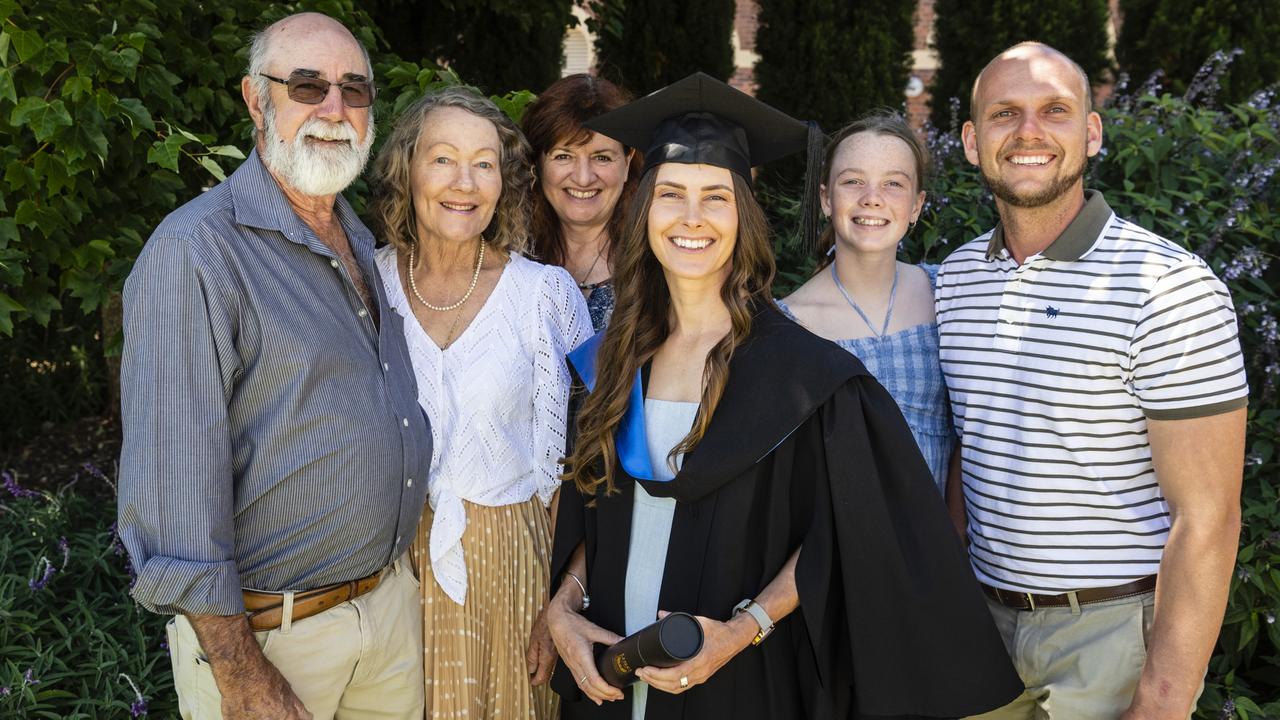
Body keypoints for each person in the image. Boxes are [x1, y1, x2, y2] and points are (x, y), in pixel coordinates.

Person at [543, 72, 1022, 720]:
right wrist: (564, 608)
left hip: (738, 684)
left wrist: (742, 630)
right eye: (671, 195)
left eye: (715, 197)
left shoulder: (804, 379)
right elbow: (600, 509)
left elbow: (844, 532)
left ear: (743, 213)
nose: (691, 218)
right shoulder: (608, 361)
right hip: (609, 684)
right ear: (644, 209)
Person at [118, 12, 430, 720]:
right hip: (272, 642)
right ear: (256, 99)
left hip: (386, 617)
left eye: (354, 90)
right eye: (307, 86)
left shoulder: (358, 236)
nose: (334, 109)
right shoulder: (197, 251)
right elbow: (173, 491)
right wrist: (240, 672)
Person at [937, 42, 1249, 719]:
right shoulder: (955, 281)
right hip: (979, 632)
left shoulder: (1167, 288)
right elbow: (970, 442)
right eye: (1003, 114)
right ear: (969, 141)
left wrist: (1164, 700)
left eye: (1054, 110)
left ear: (1092, 132)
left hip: (1111, 641)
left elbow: (1208, 518)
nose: (1028, 133)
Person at [367, 85, 591, 719]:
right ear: (406, 169)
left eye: (484, 162)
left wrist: (561, 605)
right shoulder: (363, 283)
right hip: (385, 574)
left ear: (504, 180)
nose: (463, 181)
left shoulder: (546, 296)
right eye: (442, 158)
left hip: (512, 571)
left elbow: (597, 471)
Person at [780, 110, 954, 493]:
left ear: (917, 205)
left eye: (893, 184)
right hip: (842, 544)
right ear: (826, 198)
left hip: (939, 543)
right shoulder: (789, 325)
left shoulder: (948, 296)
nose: (872, 199)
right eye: (852, 181)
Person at [522, 73, 640, 331]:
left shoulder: (654, 265)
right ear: (538, 164)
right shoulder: (510, 258)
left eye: (602, 158)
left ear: (628, 162)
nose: (583, 178)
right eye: (564, 156)